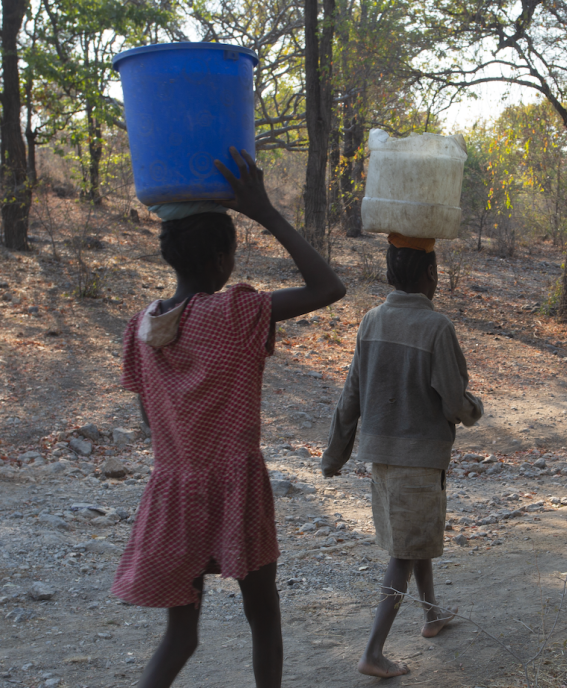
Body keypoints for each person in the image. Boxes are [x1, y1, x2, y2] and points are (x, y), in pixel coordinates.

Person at [112, 148, 346, 688]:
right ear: (222, 260)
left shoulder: (141, 328)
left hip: (174, 492)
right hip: (235, 488)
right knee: (262, 617)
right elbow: (329, 288)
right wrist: (264, 211)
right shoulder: (234, 313)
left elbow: (150, 417)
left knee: (181, 637)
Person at [322, 234, 483, 678]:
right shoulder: (437, 328)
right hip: (419, 457)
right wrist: (474, 410)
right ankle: (373, 652)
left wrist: (334, 455)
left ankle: (431, 614)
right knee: (405, 553)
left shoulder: (370, 321)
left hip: (383, 460)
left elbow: (350, 395)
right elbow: (454, 400)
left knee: (414, 540)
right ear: (430, 275)